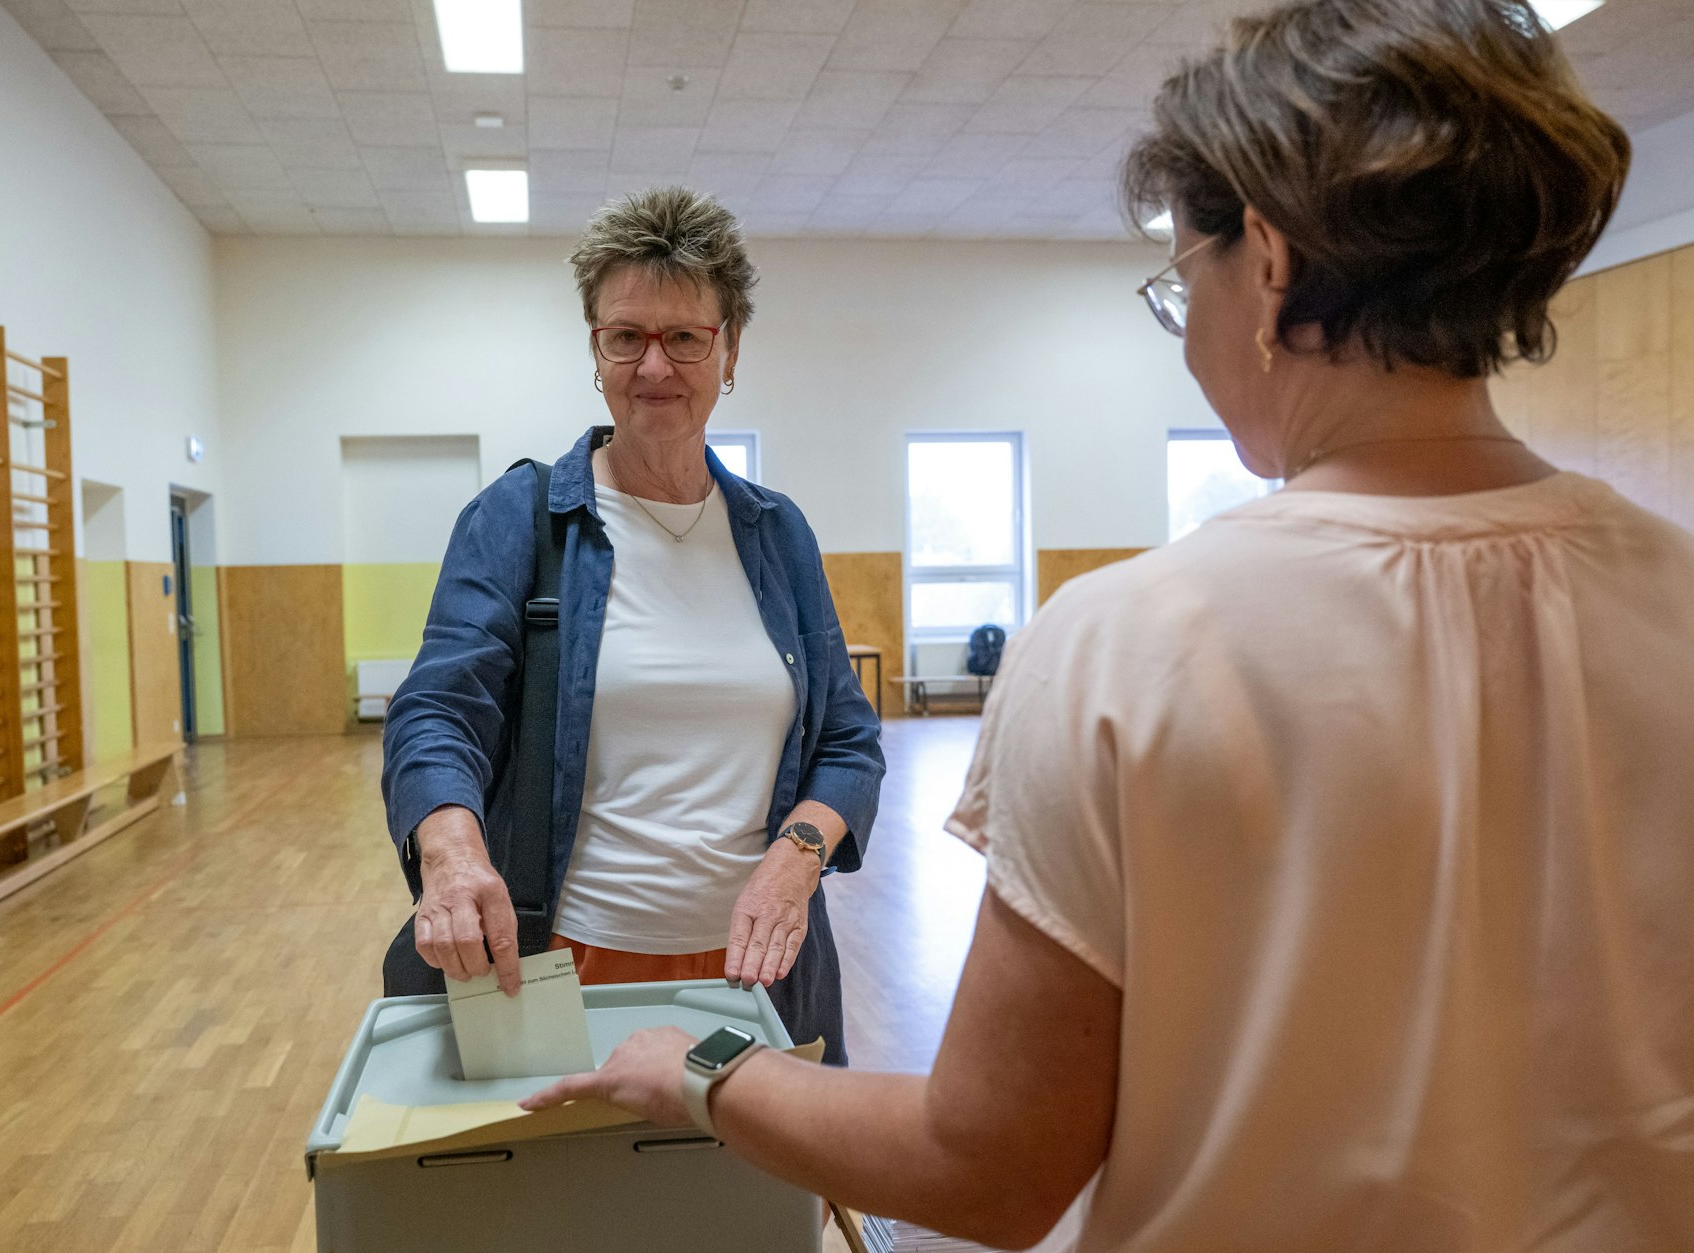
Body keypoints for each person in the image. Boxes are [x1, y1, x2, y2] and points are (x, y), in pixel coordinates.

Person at [523, 1, 1694, 1248]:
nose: (1183, 327)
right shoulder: (1670, 595)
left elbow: (992, 1167)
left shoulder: (1124, 649)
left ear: (1268, 263)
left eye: (1177, 279)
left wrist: (698, 1068)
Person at [381, 186, 885, 1064]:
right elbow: (438, 712)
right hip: (562, 964)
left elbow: (848, 740)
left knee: (753, 1201)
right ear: (596, 348)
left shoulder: (778, 533)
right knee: (581, 1199)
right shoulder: (521, 518)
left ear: (730, 351)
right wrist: (453, 849)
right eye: (627, 336)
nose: (655, 367)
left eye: (686, 338)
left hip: (761, 966)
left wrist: (799, 856)